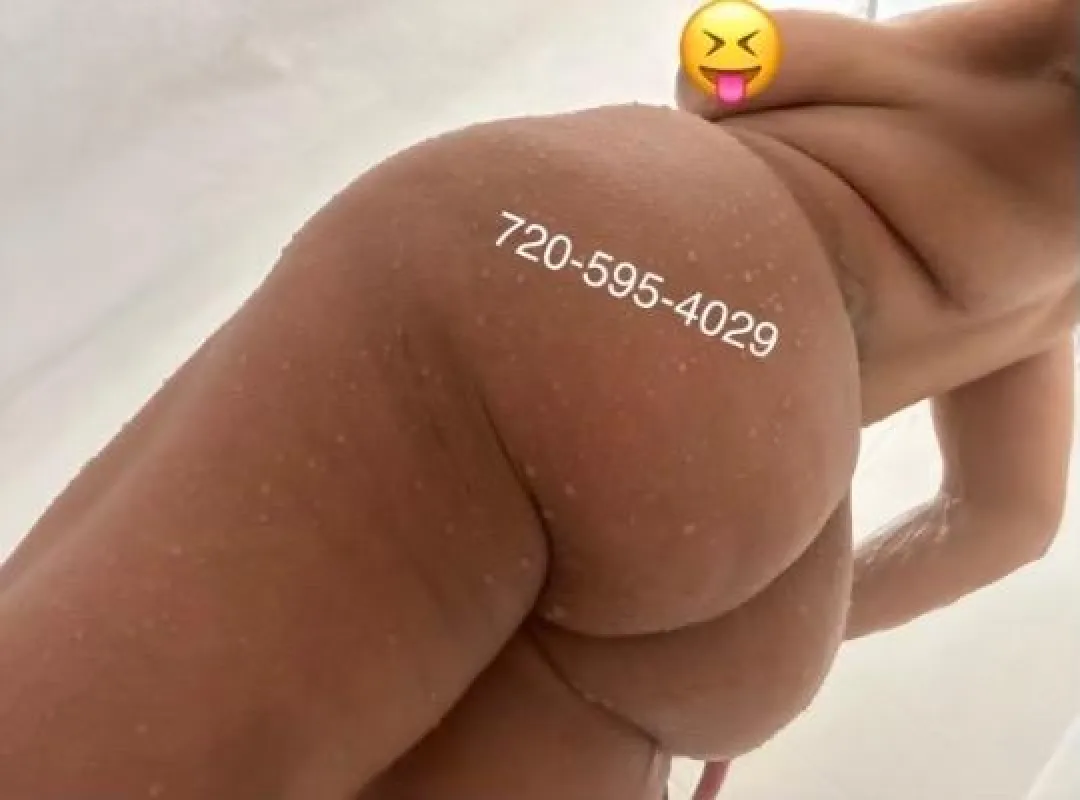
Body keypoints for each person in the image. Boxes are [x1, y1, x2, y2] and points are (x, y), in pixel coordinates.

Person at [0, 0, 1074, 797]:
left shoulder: (1007, 40)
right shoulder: (1055, 299)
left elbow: (738, 46)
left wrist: (730, 61)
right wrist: (792, 633)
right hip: (766, 532)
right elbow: (1005, 519)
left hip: (621, 270)